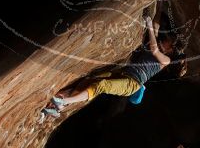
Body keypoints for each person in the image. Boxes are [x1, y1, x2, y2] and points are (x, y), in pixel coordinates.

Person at [43, 15, 183, 117]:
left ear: (170, 51)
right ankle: (59, 106)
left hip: (132, 83)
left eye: (169, 43)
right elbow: (156, 27)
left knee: (102, 85)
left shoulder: (166, 61)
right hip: (123, 73)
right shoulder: (158, 43)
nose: (165, 41)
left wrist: (150, 27)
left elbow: (154, 48)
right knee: (92, 79)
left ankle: (63, 101)